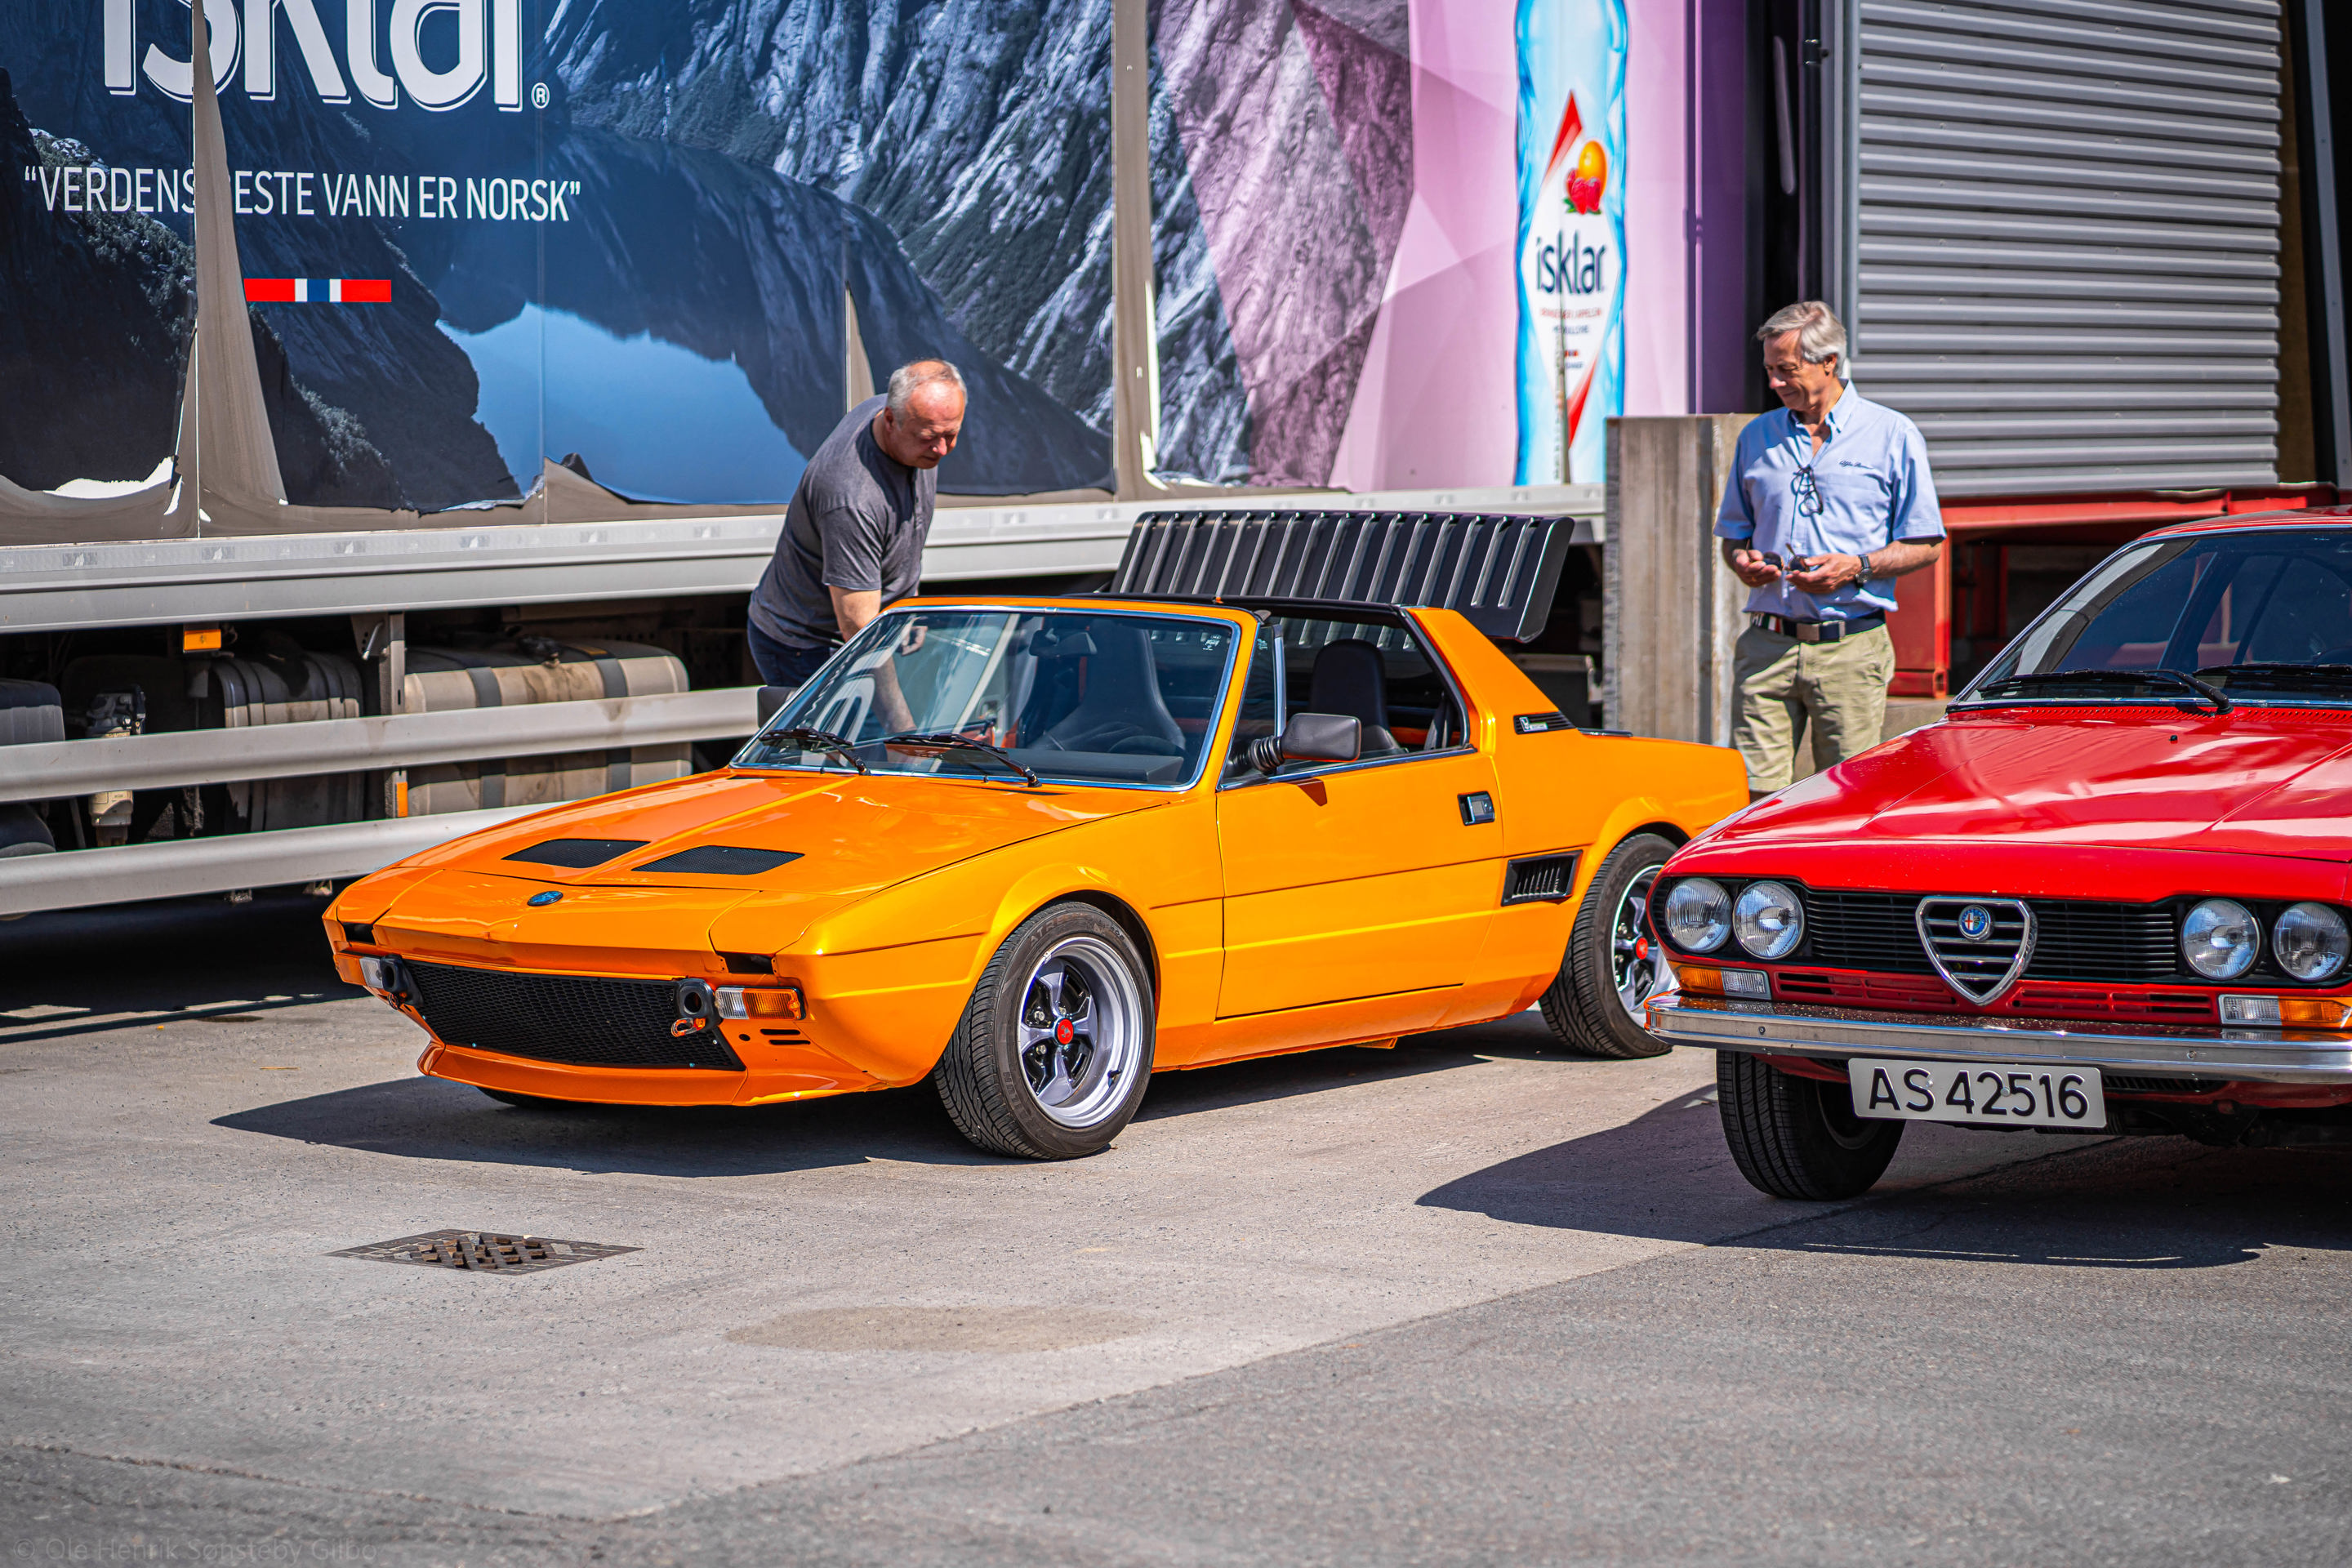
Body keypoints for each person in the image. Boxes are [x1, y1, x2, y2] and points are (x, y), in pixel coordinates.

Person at [1715, 301, 1943, 800]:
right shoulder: (1757, 436)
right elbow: (1733, 535)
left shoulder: (1892, 434)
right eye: (1770, 370)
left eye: (1786, 370)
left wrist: (1856, 567)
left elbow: (1926, 544)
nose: (1774, 383)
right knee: (1753, 798)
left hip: (1850, 648)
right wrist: (1743, 562)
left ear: (1829, 363)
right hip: (1766, 645)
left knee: (1847, 796)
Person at [746, 359, 968, 718]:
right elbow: (859, 629)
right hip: (807, 645)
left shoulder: (911, 428)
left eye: (951, 435)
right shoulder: (851, 499)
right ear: (891, 419)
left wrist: (906, 611)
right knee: (858, 745)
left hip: (869, 625)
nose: (942, 450)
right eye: (929, 438)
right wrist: (900, 728)